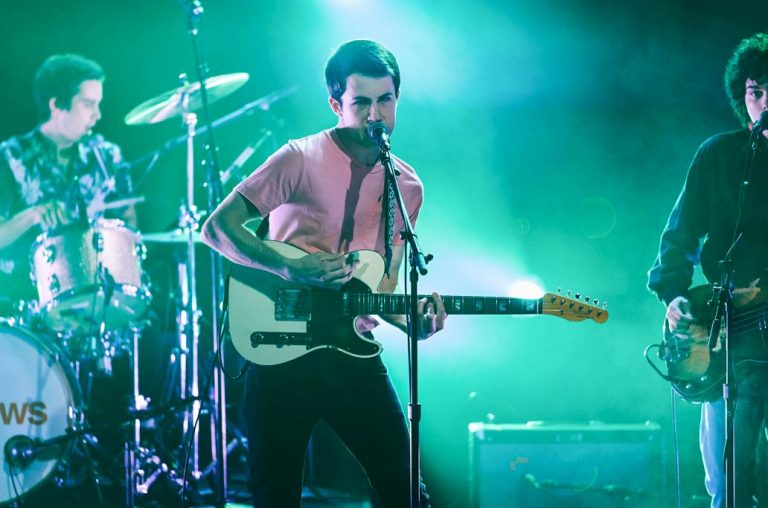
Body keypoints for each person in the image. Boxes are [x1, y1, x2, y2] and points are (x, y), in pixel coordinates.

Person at [201, 39, 447, 507]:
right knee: (275, 495)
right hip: (281, 348)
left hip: (352, 352)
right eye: (361, 103)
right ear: (336, 104)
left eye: (385, 100)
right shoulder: (299, 157)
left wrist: (412, 321)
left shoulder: (407, 186)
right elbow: (217, 228)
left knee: (406, 492)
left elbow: (385, 286)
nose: (375, 114)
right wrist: (291, 265)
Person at [648, 32, 768, 508]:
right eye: (756, 91)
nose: (764, 103)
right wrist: (674, 294)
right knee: (725, 481)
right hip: (726, 333)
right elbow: (677, 238)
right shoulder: (718, 155)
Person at [0, 53, 135, 312]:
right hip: (25, 305)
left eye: (98, 105)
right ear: (56, 105)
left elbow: (128, 224)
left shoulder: (106, 156)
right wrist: (32, 215)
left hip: (97, 301)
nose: (97, 115)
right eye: (88, 104)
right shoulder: (10, 157)